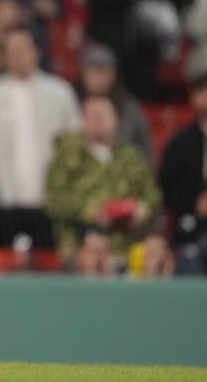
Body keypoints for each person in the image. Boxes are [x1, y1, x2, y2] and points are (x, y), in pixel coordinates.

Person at [0, 26, 80, 248]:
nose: (17, 55)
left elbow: (74, 147)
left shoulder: (60, 93)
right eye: (11, 50)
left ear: (37, 52)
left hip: (50, 203)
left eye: (23, 49)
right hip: (3, 203)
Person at [44, 95, 160, 263]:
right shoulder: (66, 156)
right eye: (91, 116)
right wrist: (91, 211)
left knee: (155, 251)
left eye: (102, 115)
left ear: (116, 119)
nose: (96, 121)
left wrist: (142, 209)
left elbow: (153, 195)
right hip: (79, 241)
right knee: (92, 256)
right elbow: (54, 199)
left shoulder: (132, 157)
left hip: (127, 242)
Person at [159, 74, 207, 274]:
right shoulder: (180, 143)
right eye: (202, 91)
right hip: (190, 226)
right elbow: (165, 188)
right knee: (189, 255)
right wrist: (195, 202)